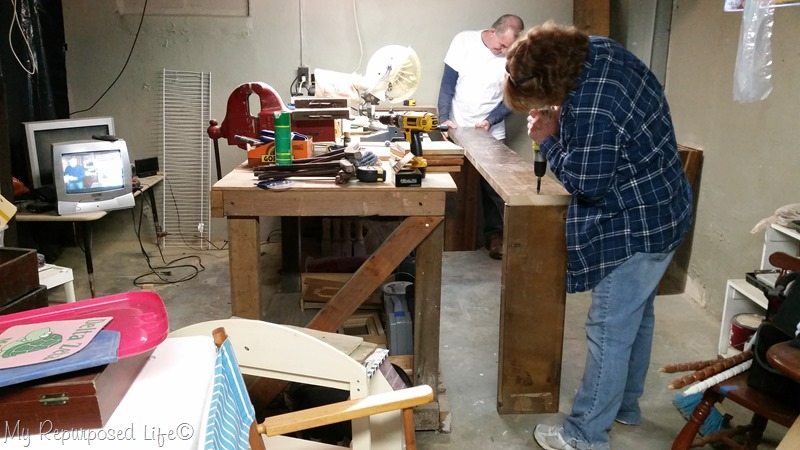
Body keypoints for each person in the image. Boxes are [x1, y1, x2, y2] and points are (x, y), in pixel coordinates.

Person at [503, 22, 693, 450]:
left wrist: (549, 140)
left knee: (608, 327)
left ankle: (586, 433)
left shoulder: (593, 105)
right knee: (635, 317)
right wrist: (558, 113)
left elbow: (589, 183)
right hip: (667, 205)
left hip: (638, 220)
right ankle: (625, 405)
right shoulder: (594, 52)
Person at [437, 14, 524, 260]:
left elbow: (512, 99)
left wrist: (491, 120)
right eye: (502, 45)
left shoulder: (515, 55)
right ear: (492, 32)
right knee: (454, 186)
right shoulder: (463, 41)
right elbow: (447, 85)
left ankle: (495, 238)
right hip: (456, 126)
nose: (504, 51)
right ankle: (449, 239)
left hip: (489, 130)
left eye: (510, 47)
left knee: (493, 191)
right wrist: (444, 119)